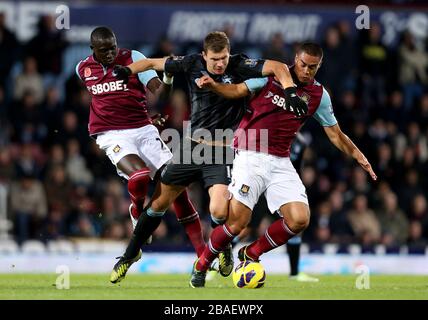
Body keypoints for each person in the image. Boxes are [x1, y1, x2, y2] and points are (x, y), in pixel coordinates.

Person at [110, 31, 308, 282]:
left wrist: (290, 91)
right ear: (204, 55)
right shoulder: (191, 63)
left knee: (218, 209)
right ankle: (128, 256)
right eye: (214, 59)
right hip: (191, 147)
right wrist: (127, 72)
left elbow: (279, 67)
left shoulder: (240, 64)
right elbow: (150, 63)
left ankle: (222, 248)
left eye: (223, 58)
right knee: (157, 205)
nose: (219, 63)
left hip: (223, 150)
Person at [189, 42, 377, 287]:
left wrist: (359, 156)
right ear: (295, 59)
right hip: (249, 154)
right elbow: (237, 91)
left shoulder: (319, 95)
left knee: (299, 219)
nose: (307, 70)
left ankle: (251, 254)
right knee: (237, 223)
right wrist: (214, 85)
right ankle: (202, 264)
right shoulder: (270, 76)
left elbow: (335, 134)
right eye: (303, 64)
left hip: (280, 160)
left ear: (319, 66)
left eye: (313, 67)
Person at [75, 27, 206, 281]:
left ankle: (202, 254)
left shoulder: (133, 57)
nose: (111, 53)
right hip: (112, 135)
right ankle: (137, 212)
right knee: (139, 176)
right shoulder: (82, 69)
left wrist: (166, 80)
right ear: (93, 50)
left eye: (113, 47)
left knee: (177, 188)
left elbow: (158, 90)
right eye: (104, 50)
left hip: (144, 130)